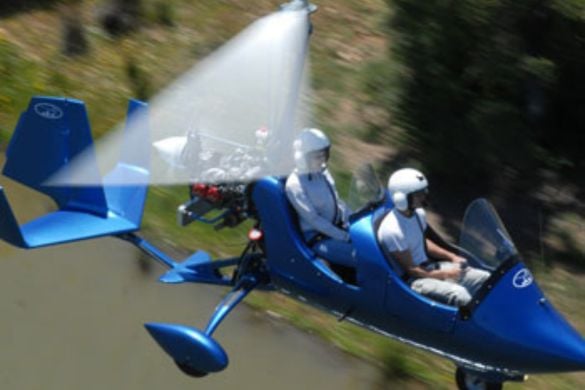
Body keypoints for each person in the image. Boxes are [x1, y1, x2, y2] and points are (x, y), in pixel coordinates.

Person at [377, 168, 490, 307]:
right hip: (415, 281)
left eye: (423, 192)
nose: (424, 196)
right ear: (402, 198)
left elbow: (423, 242)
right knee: (460, 294)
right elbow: (412, 270)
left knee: (485, 279)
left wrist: (452, 257)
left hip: (430, 268)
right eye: (418, 194)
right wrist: (446, 274)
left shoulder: (418, 214)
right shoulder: (392, 230)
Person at [285, 128, 354, 266]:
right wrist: (344, 236)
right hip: (318, 238)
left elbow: (338, 201)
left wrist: (354, 222)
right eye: (318, 157)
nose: (323, 161)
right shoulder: (295, 185)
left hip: (337, 229)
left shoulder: (322, 173)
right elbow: (314, 220)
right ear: (302, 158)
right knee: (360, 256)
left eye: (325, 155)